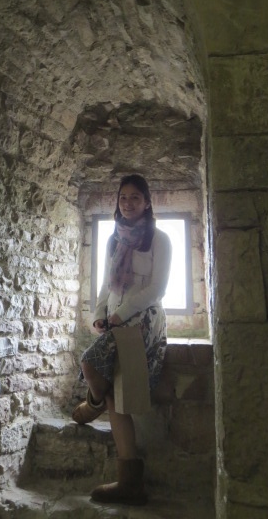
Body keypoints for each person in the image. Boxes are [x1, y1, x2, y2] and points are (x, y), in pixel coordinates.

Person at [72, 174, 171, 506]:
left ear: (147, 202)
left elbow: (157, 289)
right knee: (114, 390)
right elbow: (106, 285)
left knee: (91, 363)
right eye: (123, 197)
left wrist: (122, 314)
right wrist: (99, 314)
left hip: (144, 321)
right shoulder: (114, 240)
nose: (128, 203)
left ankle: (93, 404)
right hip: (116, 320)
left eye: (135, 197)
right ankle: (131, 482)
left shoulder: (160, 239)